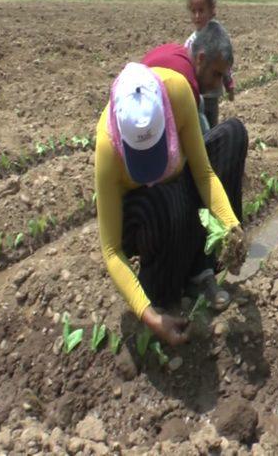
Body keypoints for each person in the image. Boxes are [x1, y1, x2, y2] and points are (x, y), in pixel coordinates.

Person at [94, 61, 248, 346]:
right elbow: (112, 250)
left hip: (177, 189)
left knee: (231, 135)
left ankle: (201, 271)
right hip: (144, 215)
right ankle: (162, 291)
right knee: (165, 200)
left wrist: (231, 225)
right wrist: (150, 316)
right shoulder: (107, 146)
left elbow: (203, 173)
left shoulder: (175, 92)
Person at [141, 20, 233, 134]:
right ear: (201, 59)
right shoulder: (185, 85)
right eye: (216, 74)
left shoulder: (176, 51)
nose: (217, 85)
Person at [185, 0, 235, 127]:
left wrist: (229, 85)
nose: (197, 16)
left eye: (201, 10)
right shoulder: (191, 43)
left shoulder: (219, 37)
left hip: (212, 96)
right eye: (194, 11)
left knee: (211, 127)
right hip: (195, 96)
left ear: (211, 10)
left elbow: (225, 64)